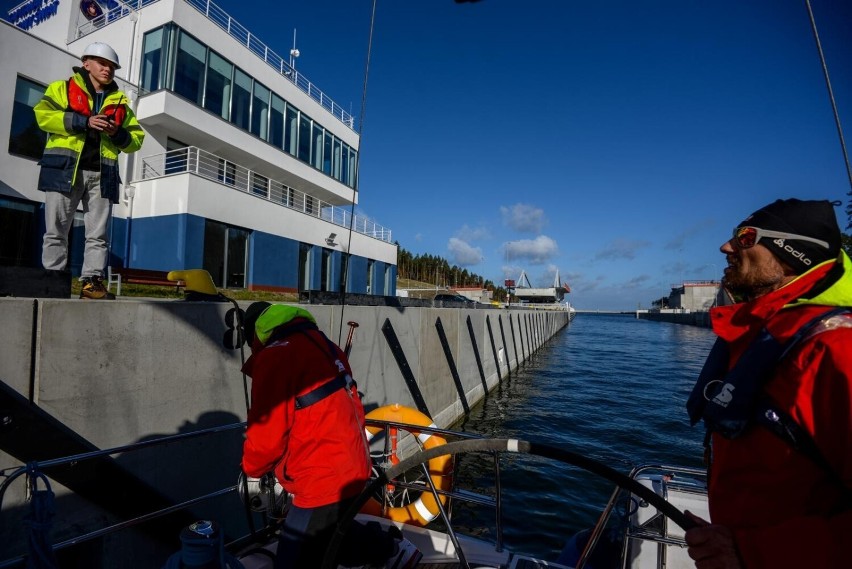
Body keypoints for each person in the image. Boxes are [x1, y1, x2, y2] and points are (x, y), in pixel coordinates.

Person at [684, 198, 852, 568]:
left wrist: (752, 551)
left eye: (745, 237)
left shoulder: (836, 350)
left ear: (793, 253)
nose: (726, 247)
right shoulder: (767, 334)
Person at [240, 302, 422, 569]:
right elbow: (349, 409)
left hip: (321, 479)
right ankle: (392, 548)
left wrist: (251, 468)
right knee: (331, 537)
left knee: (294, 556)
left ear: (255, 336)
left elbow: (265, 435)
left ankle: (390, 547)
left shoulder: (273, 358)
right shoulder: (326, 346)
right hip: (354, 465)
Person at [34, 42, 145, 300]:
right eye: (102, 63)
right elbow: (43, 116)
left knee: (98, 235)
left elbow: (137, 140)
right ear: (86, 63)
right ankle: (53, 280)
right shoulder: (61, 88)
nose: (108, 69)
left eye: (112, 66)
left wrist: (117, 132)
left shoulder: (121, 104)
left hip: (102, 174)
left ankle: (91, 284)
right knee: (56, 229)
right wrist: (83, 121)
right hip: (64, 170)